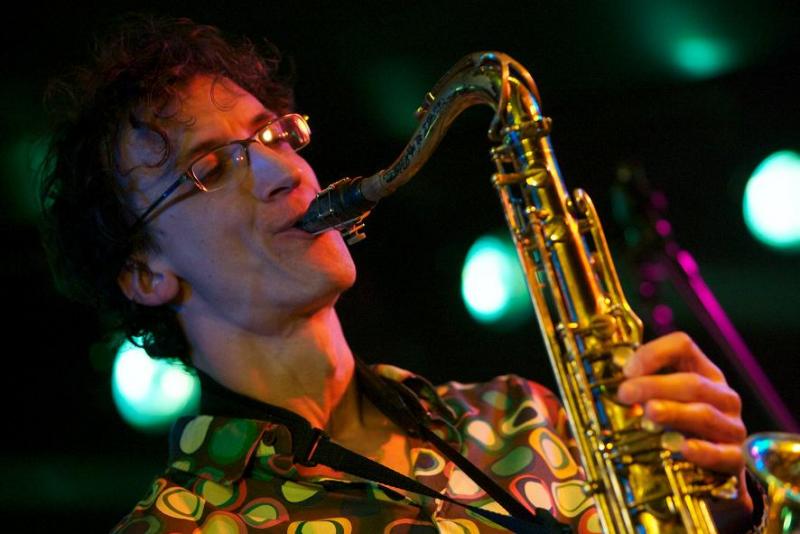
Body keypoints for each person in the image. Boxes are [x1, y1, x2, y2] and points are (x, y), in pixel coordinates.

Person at [40, 14, 761, 533]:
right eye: (209, 168)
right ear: (144, 273)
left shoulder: (522, 413)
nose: (284, 172)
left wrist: (726, 509)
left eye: (273, 135)